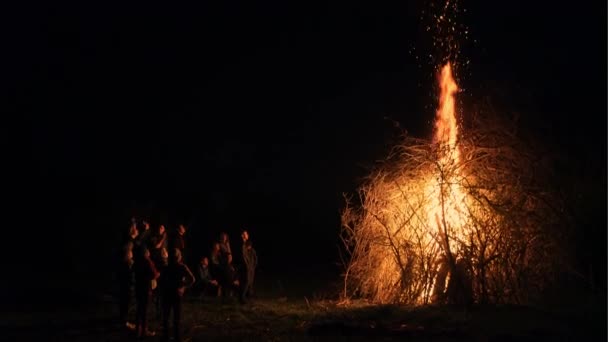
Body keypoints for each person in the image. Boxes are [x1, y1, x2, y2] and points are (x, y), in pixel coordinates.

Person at [160, 249, 195, 342]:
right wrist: (183, 287)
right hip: (176, 293)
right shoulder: (182, 267)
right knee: (176, 317)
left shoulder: (166, 267)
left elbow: (161, 280)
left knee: (166, 317)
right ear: (179, 257)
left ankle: (166, 337)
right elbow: (192, 279)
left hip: (167, 293)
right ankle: (177, 337)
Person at [133, 247, 160, 339]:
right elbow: (154, 274)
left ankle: (138, 330)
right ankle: (144, 330)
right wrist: (158, 274)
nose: (149, 253)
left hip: (138, 288)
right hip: (146, 288)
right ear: (146, 253)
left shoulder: (136, 261)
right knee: (144, 310)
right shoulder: (147, 261)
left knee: (139, 309)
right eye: (148, 251)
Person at [117, 244, 136, 331]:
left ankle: (123, 320)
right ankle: (124, 322)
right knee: (126, 304)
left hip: (124, 286)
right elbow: (131, 276)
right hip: (127, 287)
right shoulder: (128, 263)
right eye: (131, 251)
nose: (132, 253)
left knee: (124, 303)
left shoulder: (123, 263)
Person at [240, 230, 258, 303]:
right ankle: (242, 297)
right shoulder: (242, 244)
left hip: (250, 266)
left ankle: (249, 295)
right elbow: (243, 256)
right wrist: (246, 265)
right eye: (244, 234)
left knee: (250, 281)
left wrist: (253, 265)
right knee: (246, 281)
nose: (246, 235)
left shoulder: (247, 244)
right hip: (246, 266)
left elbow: (253, 256)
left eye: (246, 234)